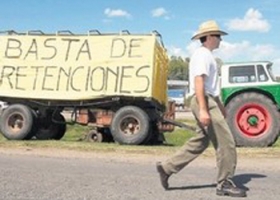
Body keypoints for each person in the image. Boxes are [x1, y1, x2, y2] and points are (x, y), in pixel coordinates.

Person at [156, 20, 246, 197]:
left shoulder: (208, 56)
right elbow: (199, 81)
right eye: (218, 36)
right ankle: (224, 182)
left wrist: (220, 106)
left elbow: (212, 88)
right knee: (225, 141)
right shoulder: (202, 54)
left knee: (201, 140)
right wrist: (204, 109)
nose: (220, 39)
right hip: (202, 99)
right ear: (210, 37)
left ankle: (166, 168)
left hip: (208, 99)